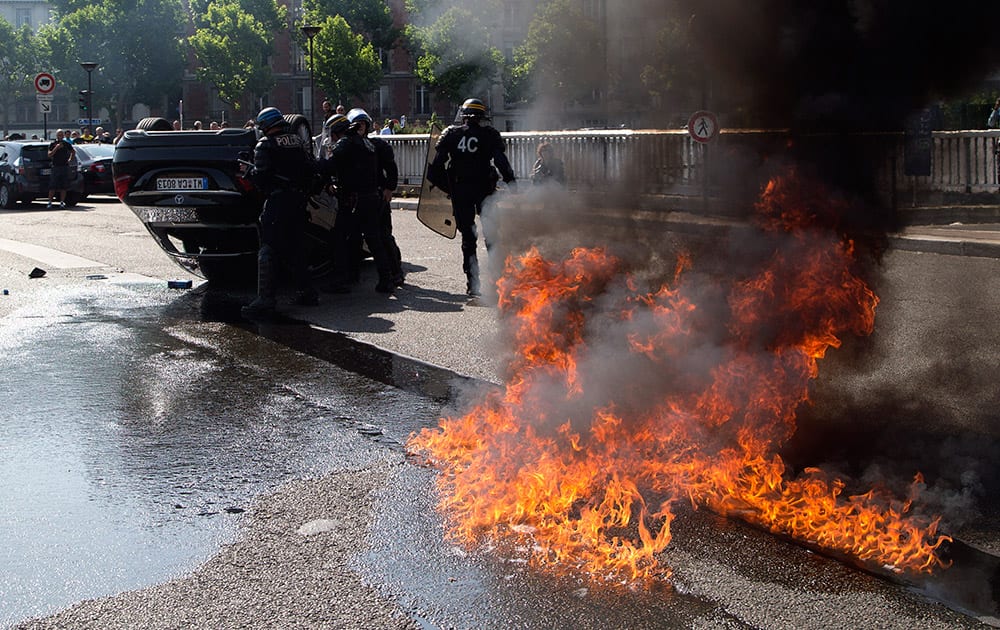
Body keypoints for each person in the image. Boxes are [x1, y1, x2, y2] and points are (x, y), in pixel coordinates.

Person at [426, 98, 516, 296]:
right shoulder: (490, 135)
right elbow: (502, 163)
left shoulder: (451, 134)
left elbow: (434, 170)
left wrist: (449, 188)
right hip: (485, 190)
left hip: (461, 190)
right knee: (492, 236)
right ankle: (497, 282)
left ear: (464, 115)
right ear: (482, 116)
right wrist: (513, 185)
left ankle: (472, 284)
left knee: (468, 238)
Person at [241, 106, 320, 318]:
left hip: (278, 202)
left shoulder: (265, 145)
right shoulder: (297, 142)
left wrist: (248, 172)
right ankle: (307, 292)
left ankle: (266, 299)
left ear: (265, 126)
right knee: (297, 248)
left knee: (268, 248)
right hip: (298, 201)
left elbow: (261, 178)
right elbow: (312, 169)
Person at [322, 108, 396, 294]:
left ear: (338, 131)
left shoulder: (346, 142)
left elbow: (330, 165)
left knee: (339, 238)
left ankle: (341, 279)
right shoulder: (366, 143)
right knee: (372, 239)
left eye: (332, 134)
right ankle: (385, 279)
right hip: (370, 197)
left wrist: (309, 165)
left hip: (354, 200)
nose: (331, 138)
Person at [46, 129, 76, 209]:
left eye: (61, 135)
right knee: (52, 186)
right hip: (55, 166)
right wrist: (56, 148)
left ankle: (62, 202)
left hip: (64, 166)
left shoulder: (66, 144)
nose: (60, 136)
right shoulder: (52, 144)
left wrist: (70, 159)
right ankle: (50, 202)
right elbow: (49, 155)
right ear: (56, 135)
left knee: (64, 186)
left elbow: (73, 152)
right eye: (59, 135)